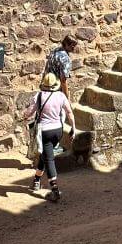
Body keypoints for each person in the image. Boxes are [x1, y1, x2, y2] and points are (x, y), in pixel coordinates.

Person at [23, 72, 75, 202]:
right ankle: (36, 180)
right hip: (58, 130)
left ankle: (55, 190)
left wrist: (25, 115)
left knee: (49, 158)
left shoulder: (39, 96)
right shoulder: (61, 96)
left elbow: (29, 113)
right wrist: (73, 129)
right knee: (46, 154)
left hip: (45, 131)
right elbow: (69, 113)